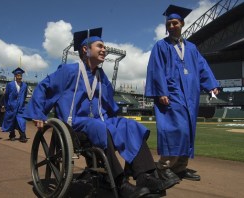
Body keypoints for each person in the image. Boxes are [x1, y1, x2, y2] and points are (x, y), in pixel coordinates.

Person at [24, 28, 177, 198]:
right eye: (100, 46)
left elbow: (110, 105)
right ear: (85, 49)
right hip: (75, 122)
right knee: (97, 126)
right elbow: (43, 87)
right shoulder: (69, 71)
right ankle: (120, 183)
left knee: (130, 125)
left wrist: (118, 123)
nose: (104, 49)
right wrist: (38, 112)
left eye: (105, 47)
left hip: (100, 120)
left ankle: (145, 176)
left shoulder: (101, 76)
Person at [145, 5, 219, 182]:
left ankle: (179, 168)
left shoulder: (191, 47)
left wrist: (211, 85)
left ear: (182, 24)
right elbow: (156, 69)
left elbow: (202, 67)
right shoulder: (161, 46)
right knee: (174, 130)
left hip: (190, 95)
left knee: (187, 131)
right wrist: (161, 91)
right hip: (171, 93)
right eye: (168, 23)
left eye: (174, 23)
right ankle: (164, 166)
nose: (171, 26)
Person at [2, 68, 28, 143]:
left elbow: (25, 95)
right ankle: (12, 135)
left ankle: (23, 136)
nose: (19, 77)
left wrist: (21, 102)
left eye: (21, 75)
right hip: (11, 106)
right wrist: (6, 105)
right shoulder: (10, 84)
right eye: (18, 75)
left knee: (21, 120)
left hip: (20, 107)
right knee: (11, 120)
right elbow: (6, 95)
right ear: (15, 76)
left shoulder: (25, 85)